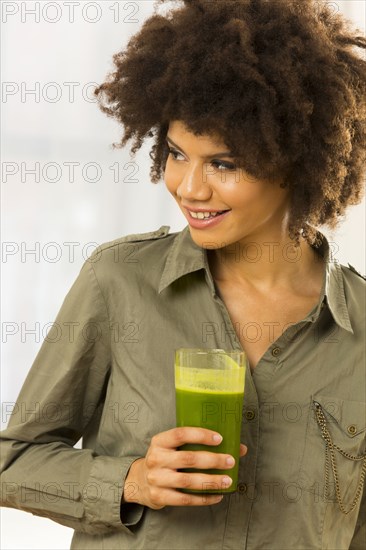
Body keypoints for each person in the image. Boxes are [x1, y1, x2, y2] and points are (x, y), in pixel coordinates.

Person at [1, 0, 365, 548]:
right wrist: (130, 481)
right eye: (176, 153)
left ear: (295, 160)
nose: (188, 188)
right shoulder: (119, 281)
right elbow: (13, 463)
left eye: (223, 163)